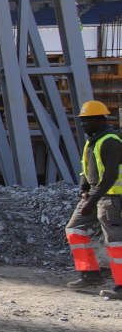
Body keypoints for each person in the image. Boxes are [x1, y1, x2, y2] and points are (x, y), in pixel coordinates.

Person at [66, 100, 122, 300]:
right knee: (74, 229)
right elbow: (87, 168)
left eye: (87, 121)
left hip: (112, 197)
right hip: (97, 195)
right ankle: (90, 274)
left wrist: (92, 200)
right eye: (82, 121)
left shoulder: (110, 141)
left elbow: (110, 176)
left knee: (116, 243)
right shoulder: (93, 141)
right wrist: (84, 187)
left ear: (100, 120)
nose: (83, 125)